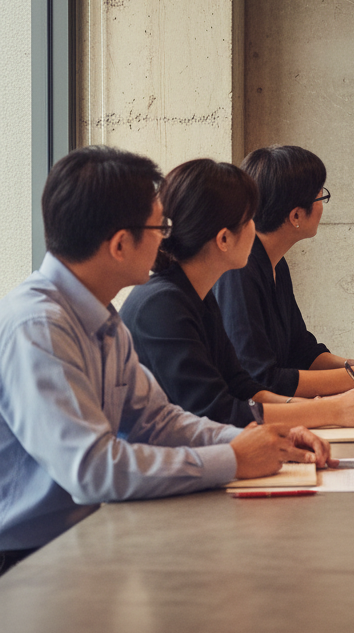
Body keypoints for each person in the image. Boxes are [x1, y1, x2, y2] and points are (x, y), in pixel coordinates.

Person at [0, 147, 332, 576]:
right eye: (159, 226)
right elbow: (92, 470)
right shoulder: (39, 327)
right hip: (24, 563)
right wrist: (232, 458)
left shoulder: (101, 317)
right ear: (121, 244)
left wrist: (264, 439)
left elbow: (158, 421)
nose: (166, 237)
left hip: (85, 541)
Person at [122, 159, 354, 429]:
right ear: (224, 239)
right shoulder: (162, 304)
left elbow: (242, 386)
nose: (257, 227)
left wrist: (324, 407)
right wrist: (333, 410)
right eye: (249, 219)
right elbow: (216, 412)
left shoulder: (195, 294)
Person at [214, 145, 354, 396]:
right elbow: (260, 379)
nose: (323, 206)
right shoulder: (239, 272)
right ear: (296, 215)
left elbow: (302, 351)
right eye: (321, 197)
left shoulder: (274, 262)